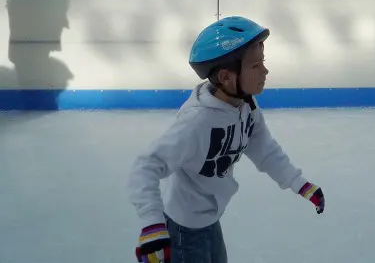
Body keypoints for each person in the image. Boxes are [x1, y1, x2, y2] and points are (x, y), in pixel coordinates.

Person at [128, 17, 325, 263]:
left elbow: (265, 150)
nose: (265, 71)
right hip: (181, 230)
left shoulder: (246, 106)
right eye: (255, 66)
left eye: (262, 63)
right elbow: (145, 167)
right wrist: (152, 224)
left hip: (210, 220)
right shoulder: (196, 122)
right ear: (227, 76)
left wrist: (300, 184)